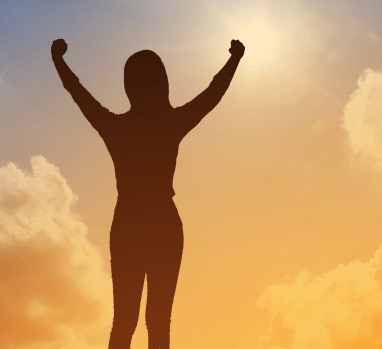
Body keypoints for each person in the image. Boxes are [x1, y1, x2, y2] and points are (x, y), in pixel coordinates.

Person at [52, 37, 244, 349]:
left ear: (130, 86)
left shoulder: (116, 128)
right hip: (162, 224)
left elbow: (78, 93)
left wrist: (58, 59)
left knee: (126, 321)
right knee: (156, 322)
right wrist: (235, 58)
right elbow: (212, 95)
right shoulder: (170, 122)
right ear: (163, 83)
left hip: (129, 223)